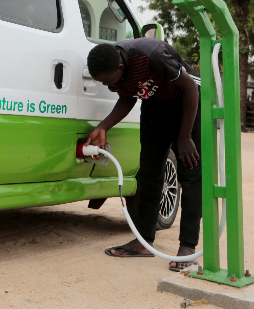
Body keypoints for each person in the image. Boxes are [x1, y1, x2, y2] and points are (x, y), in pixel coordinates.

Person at [85, 37, 202, 271]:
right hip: (155, 108)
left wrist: (185, 136)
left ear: (120, 67)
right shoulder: (113, 67)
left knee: (191, 176)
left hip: (188, 105)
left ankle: (187, 248)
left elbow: (190, 88)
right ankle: (144, 242)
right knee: (148, 174)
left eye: (109, 82)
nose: (109, 86)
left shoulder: (153, 56)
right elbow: (127, 96)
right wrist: (102, 127)